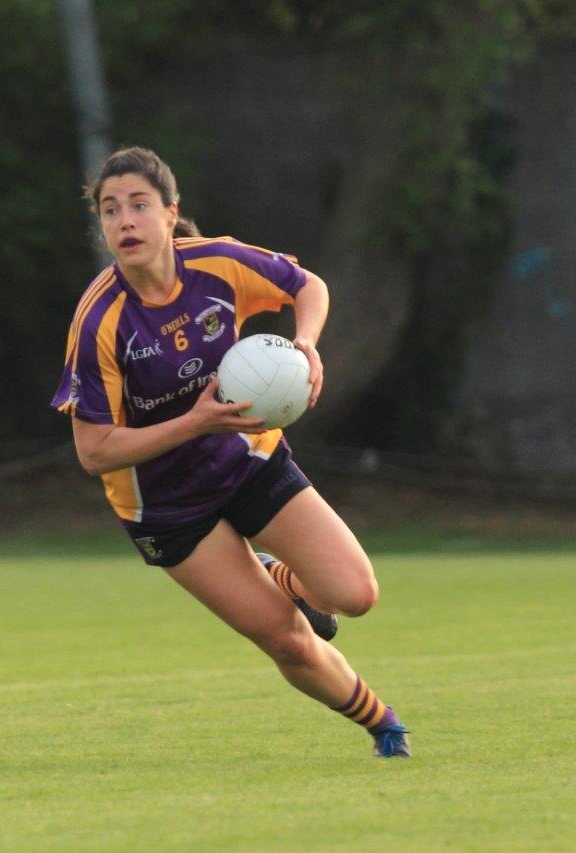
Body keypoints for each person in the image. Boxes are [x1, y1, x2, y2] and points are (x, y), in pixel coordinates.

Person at [50, 147, 409, 758]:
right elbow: (95, 452)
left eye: (140, 205)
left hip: (248, 460)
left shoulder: (216, 264)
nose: (126, 221)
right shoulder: (99, 322)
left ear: (171, 214)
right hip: (165, 505)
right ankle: (384, 725)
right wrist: (194, 423)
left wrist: (305, 343)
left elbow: (308, 286)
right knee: (289, 640)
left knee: (356, 595)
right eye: (111, 211)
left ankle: (281, 576)